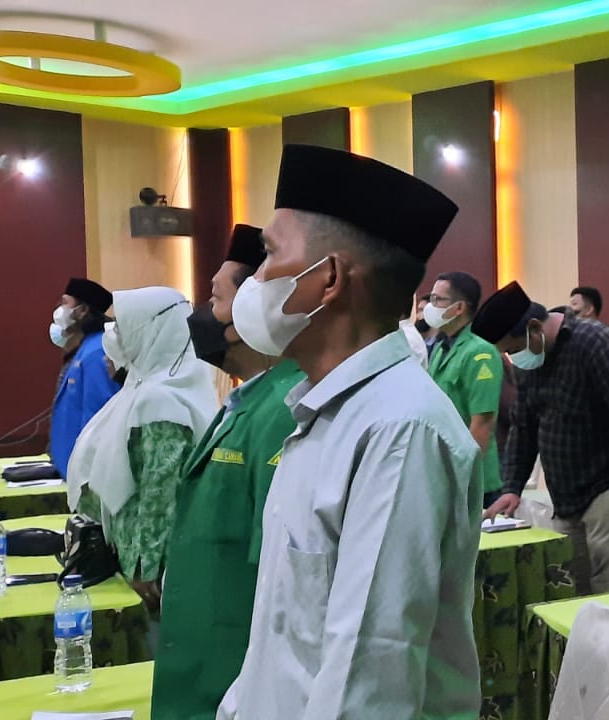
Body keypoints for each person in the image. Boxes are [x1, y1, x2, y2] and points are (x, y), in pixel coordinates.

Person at [221, 144, 481, 718]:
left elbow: (369, 676)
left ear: (330, 278)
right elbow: (283, 635)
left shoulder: (399, 430)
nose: (255, 279)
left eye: (270, 255)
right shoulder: (325, 415)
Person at [152, 224, 304, 720]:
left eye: (215, 298)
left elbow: (278, 573)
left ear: (250, 310)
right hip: (204, 655)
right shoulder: (247, 399)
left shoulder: (284, 408)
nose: (204, 313)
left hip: (234, 664)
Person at [475, 282, 609, 593]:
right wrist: (512, 487)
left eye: (513, 349)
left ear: (534, 328)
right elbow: (523, 426)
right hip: (566, 497)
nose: (513, 358)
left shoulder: (593, 341)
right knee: (571, 593)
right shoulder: (530, 359)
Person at [69, 286, 216, 605]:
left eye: (124, 328)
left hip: (147, 572)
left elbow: (159, 495)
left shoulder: (162, 399)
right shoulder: (142, 387)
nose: (115, 337)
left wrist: (145, 569)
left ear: (151, 331)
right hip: (125, 553)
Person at [423, 271, 508, 513]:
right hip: (442, 470)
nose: (430, 306)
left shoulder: (480, 352)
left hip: (470, 480)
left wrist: (461, 478)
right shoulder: (442, 348)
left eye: (438, 299)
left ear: (459, 307)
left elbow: (481, 424)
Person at [50, 278, 121, 478]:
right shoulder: (85, 349)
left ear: (82, 311)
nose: (59, 309)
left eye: (65, 303)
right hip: (72, 465)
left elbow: (99, 415)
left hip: (88, 471)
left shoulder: (97, 352)